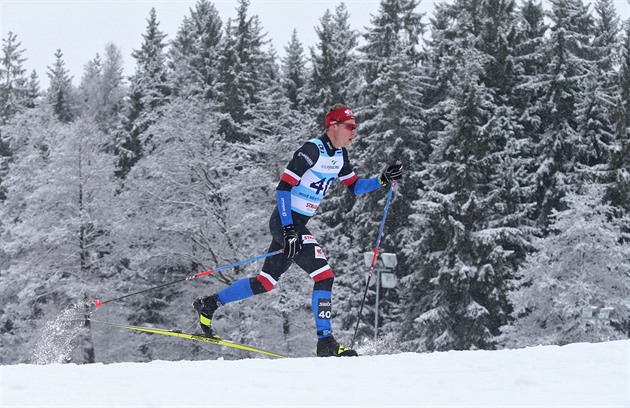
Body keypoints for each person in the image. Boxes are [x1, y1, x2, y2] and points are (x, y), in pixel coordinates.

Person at [193, 103, 403, 357]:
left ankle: (209, 304)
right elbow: (283, 188)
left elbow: (355, 187)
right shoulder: (311, 150)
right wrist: (290, 228)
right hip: (286, 220)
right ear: (333, 126)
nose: (354, 132)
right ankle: (326, 342)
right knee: (324, 276)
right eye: (349, 127)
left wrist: (383, 179)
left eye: (355, 127)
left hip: (296, 224)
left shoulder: (340, 156)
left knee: (265, 282)